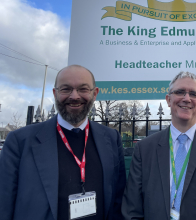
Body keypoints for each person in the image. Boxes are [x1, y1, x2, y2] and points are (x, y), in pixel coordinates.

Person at [0, 65, 126, 220]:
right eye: (66, 89)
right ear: (55, 93)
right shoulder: (20, 141)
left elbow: (118, 199)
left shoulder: (112, 138)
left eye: (83, 89)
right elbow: (4, 204)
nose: (74, 96)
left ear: (95, 93)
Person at [122, 71, 196, 220]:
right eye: (180, 92)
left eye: (193, 94)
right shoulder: (145, 149)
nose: (187, 98)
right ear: (168, 100)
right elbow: (132, 210)